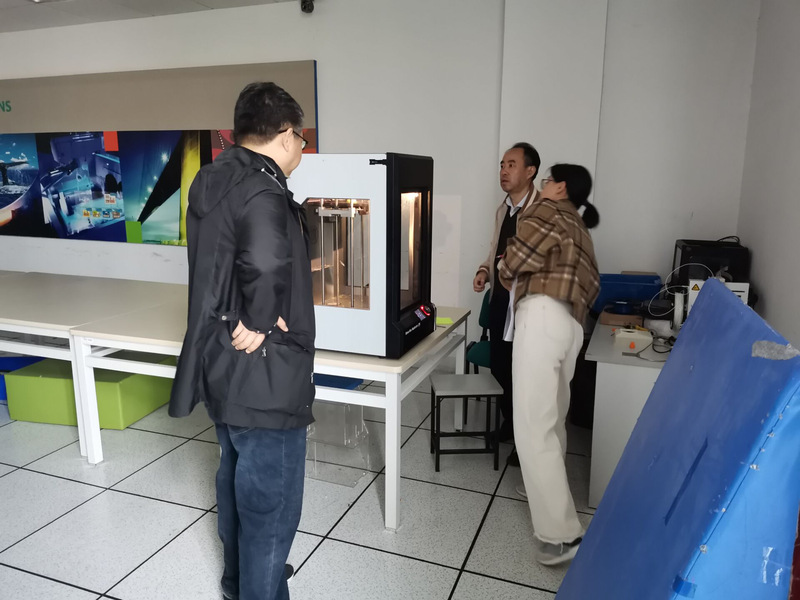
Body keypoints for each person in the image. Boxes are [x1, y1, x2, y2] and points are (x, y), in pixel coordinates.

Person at [169, 82, 315, 600]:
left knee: (234, 478)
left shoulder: (213, 179)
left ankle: (238, 582)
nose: (301, 149)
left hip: (221, 361)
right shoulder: (263, 189)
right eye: (301, 139)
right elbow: (267, 262)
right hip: (265, 374)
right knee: (272, 504)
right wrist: (260, 316)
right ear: (284, 135)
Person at [497, 163, 600, 566]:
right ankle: (539, 488)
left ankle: (562, 536)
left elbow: (517, 257)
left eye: (547, 180)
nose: (543, 186)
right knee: (553, 420)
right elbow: (593, 285)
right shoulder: (581, 227)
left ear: (560, 187)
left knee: (532, 426)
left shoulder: (547, 210)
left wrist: (504, 269)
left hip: (541, 317)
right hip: (571, 326)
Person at [473, 142, 540, 460]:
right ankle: (511, 425)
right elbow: (495, 250)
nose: (504, 170)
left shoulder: (542, 212)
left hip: (528, 307)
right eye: (502, 164)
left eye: (512, 164)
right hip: (501, 301)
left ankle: (527, 443)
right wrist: (484, 271)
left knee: (526, 374)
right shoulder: (503, 210)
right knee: (501, 367)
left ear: (530, 171)